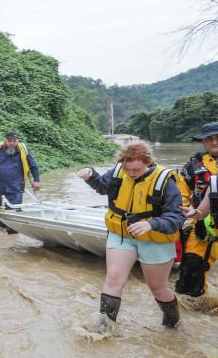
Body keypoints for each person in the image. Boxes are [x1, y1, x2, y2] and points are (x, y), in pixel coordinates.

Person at [76, 141, 185, 333]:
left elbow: (177, 217)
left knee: (157, 286)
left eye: (137, 169)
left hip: (155, 238)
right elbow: (103, 187)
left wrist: (151, 224)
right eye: (128, 169)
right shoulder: (119, 171)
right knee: (113, 278)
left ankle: (172, 324)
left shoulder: (165, 180)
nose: (132, 173)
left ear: (148, 162)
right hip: (122, 234)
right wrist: (91, 175)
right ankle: (104, 329)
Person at [175, 122, 218, 297]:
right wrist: (186, 220)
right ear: (203, 142)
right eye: (210, 139)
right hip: (200, 226)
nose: (214, 142)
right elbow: (181, 198)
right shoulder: (190, 168)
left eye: (217, 138)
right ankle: (192, 312)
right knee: (190, 273)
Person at [0, 131, 41, 232]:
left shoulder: (23, 149)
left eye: (14, 141)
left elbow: (33, 166)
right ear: (5, 140)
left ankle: (13, 240)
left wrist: (36, 180)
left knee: (14, 214)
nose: (11, 143)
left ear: (17, 141)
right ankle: (2, 235)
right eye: (9, 140)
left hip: (16, 188)